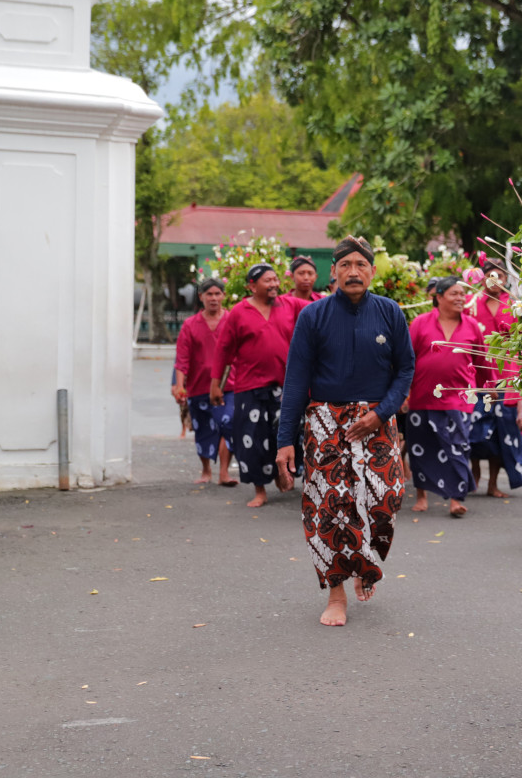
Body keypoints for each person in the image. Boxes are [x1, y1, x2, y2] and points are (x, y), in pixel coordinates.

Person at [276, 235, 415, 627]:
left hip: (378, 421)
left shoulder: (390, 312)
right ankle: (337, 593)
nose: (353, 271)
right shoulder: (313, 317)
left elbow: (405, 368)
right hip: (324, 423)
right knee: (331, 509)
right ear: (333, 272)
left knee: (386, 499)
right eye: (345, 265)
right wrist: (284, 441)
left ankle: (365, 564)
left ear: (372, 270)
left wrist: (382, 413)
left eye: (361, 264)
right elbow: (294, 381)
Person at [211, 263, 296, 508]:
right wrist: (216, 385)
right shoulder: (239, 312)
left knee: (283, 435)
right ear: (252, 285)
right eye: (267, 280)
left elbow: (320, 310)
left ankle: (282, 475)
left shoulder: (289, 305)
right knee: (252, 439)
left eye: (275, 279)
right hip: (249, 388)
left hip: (283, 387)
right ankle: (260, 490)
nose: (273, 284)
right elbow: (223, 350)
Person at [406, 276, 491, 518]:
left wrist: (490, 386)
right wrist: (404, 393)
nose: (460, 298)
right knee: (421, 447)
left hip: (459, 398)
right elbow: (407, 361)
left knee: (458, 447)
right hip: (422, 397)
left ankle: (456, 498)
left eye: (463, 294)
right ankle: (421, 496)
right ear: (439, 297)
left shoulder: (472, 326)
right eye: (454, 293)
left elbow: (481, 360)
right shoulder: (420, 323)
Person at [466, 258, 522, 497]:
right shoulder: (471, 304)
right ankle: (474, 474)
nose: (494, 280)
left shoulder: (515, 305)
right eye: (489, 275)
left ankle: (493, 483)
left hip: (506, 377)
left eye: (499, 276)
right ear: (483, 278)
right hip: (479, 377)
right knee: (475, 430)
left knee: (499, 433)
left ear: (505, 279)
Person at [173, 277, 236, 486]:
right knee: (203, 430)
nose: (214, 298)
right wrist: (179, 386)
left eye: (218, 294)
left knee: (228, 424)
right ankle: (206, 470)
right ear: (201, 297)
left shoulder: (232, 320)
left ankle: (224, 473)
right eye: (209, 294)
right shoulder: (190, 325)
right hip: (198, 387)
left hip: (229, 386)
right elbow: (182, 359)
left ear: (224, 296)